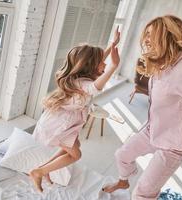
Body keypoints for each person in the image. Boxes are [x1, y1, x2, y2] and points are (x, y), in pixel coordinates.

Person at [102, 15, 182, 199]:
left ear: (166, 36)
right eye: (146, 34)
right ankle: (124, 180)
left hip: (174, 144)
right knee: (122, 155)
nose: (146, 39)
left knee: (142, 193)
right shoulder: (162, 62)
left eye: (151, 34)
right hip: (153, 129)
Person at [30, 28, 120, 192]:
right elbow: (95, 87)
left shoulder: (79, 78)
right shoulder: (83, 84)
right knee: (76, 155)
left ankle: (44, 170)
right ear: (91, 66)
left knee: (75, 145)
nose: (105, 63)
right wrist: (114, 66)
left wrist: (113, 44)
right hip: (59, 125)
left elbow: (98, 61)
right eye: (102, 63)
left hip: (61, 120)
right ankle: (39, 172)